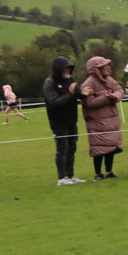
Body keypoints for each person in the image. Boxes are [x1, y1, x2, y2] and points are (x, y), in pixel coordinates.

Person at [80, 56, 125, 180]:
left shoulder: (110, 80)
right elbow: (89, 102)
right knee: (98, 148)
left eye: (107, 65)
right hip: (97, 122)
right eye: (103, 66)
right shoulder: (88, 83)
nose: (107, 67)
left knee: (111, 146)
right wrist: (106, 98)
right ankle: (98, 173)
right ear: (96, 69)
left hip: (111, 120)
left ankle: (109, 171)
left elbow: (120, 90)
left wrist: (115, 96)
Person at [43, 56, 84, 185]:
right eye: (65, 68)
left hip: (72, 120)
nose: (68, 70)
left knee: (72, 148)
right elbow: (54, 102)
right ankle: (62, 178)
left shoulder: (69, 80)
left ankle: (70, 175)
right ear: (58, 69)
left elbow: (77, 93)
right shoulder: (49, 83)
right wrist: (70, 94)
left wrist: (83, 93)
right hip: (58, 122)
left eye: (69, 68)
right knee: (62, 149)